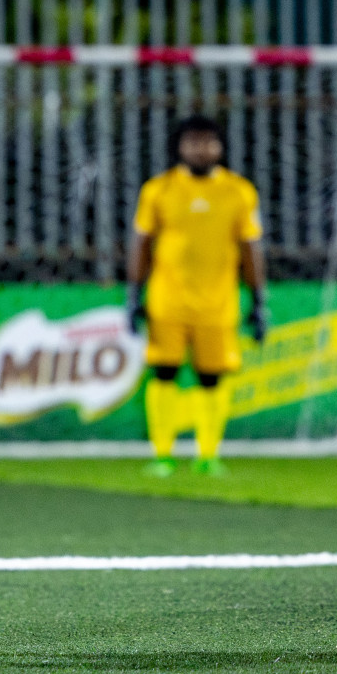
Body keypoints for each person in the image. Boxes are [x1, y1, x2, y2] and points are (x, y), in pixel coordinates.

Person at [127, 115, 268, 477]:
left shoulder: (239, 191)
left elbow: (250, 248)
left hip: (218, 303)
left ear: (220, 147)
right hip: (167, 300)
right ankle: (162, 455)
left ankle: (208, 455)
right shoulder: (158, 190)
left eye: (208, 142)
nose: (200, 149)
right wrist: (133, 296)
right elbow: (142, 244)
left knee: (212, 377)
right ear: (179, 146)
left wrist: (259, 302)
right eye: (192, 142)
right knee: (164, 372)